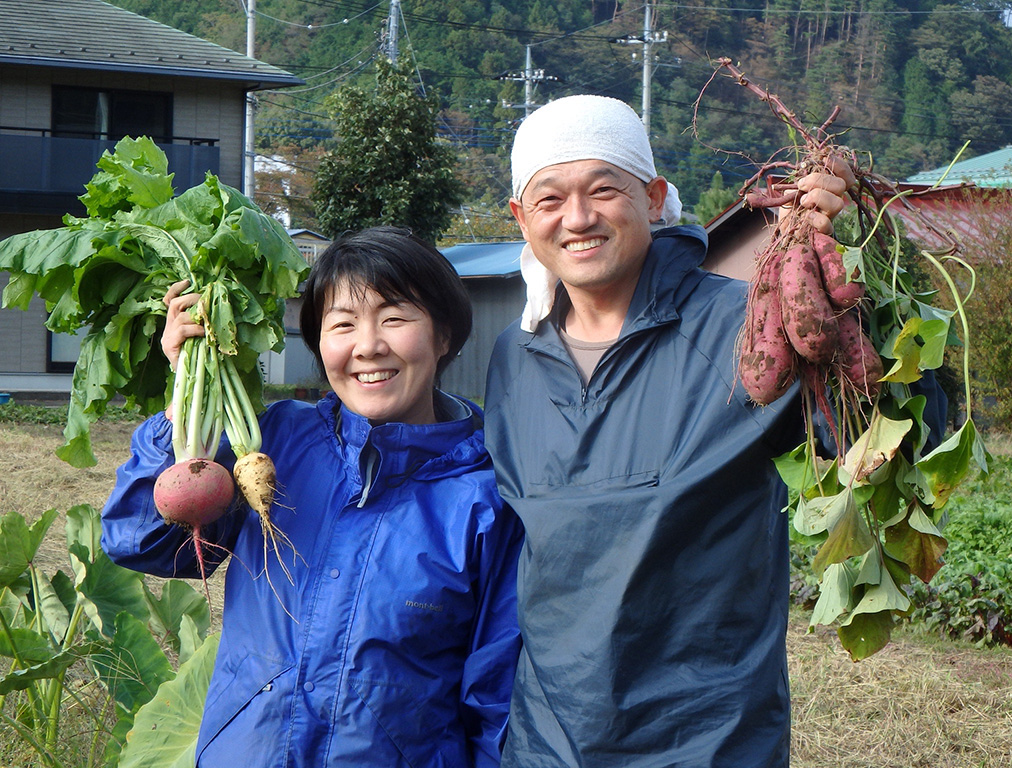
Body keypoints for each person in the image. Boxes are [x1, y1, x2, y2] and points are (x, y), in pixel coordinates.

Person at [483, 94, 944, 767]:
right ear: (522, 219)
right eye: (549, 199)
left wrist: (866, 264)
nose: (577, 218)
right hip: (545, 744)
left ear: (652, 196)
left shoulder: (749, 325)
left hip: (707, 742)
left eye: (603, 190)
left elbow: (906, 434)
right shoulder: (512, 359)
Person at [101, 226, 524, 768]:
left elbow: (496, 700)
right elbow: (142, 544)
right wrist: (185, 396)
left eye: (394, 318)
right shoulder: (275, 441)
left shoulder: (487, 496)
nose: (367, 345)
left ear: (445, 335)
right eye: (342, 324)